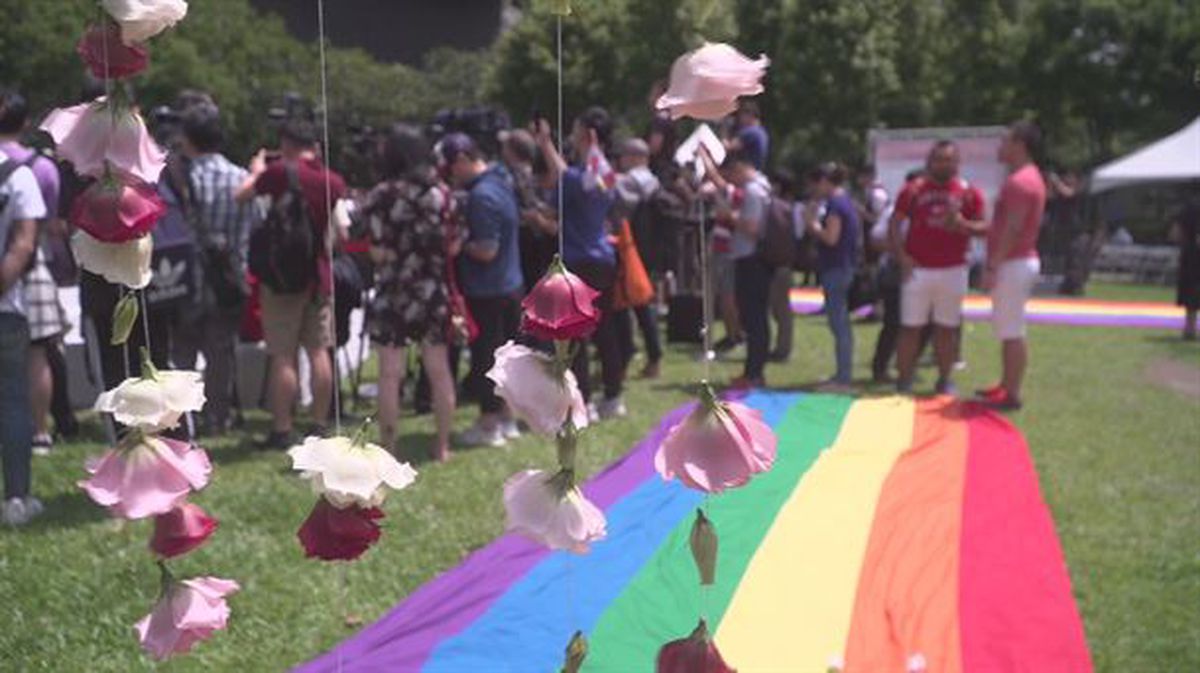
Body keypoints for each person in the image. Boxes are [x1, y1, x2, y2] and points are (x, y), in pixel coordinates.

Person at [237, 119, 345, 448]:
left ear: (285, 144)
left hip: (282, 278)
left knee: (283, 354)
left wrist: (257, 171)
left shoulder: (280, 173)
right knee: (318, 350)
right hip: (318, 274)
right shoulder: (333, 181)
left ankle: (282, 428)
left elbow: (241, 196)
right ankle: (320, 424)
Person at [365, 124, 457, 461]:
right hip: (433, 290)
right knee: (439, 369)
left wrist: (394, 256)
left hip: (394, 289)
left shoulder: (381, 195)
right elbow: (454, 244)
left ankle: (389, 448)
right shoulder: (443, 194)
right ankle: (442, 445)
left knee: (390, 374)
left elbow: (375, 249)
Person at [170, 104, 255, 436]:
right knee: (220, 351)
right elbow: (254, 223)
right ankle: (217, 417)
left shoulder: (180, 178)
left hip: (186, 278)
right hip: (228, 278)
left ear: (188, 138)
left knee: (182, 351)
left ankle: (180, 417)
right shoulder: (241, 178)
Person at [538, 107, 627, 418]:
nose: (571, 138)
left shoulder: (576, 179)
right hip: (604, 259)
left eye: (575, 131)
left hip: (578, 261)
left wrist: (546, 143)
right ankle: (614, 396)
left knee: (575, 335)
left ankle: (584, 400)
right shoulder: (606, 175)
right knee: (606, 331)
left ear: (588, 136)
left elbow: (562, 182)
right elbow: (571, 178)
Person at [440, 133, 523, 446]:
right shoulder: (502, 183)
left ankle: (489, 426)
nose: (451, 175)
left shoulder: (481, 196)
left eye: (452, 167)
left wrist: (459, 247)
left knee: (487, 359)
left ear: (463, 159)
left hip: (488, 290)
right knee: (505, 358)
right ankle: (507, 418)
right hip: (510, 283)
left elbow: (487, 249)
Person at [0, 90, 70, 456]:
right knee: (37, 352)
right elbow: (52, 222)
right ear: (26, 124)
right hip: (33, 264)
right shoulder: (41, 167)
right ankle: (40, 430)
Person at [889, 140, 987, 396]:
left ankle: (945, 379)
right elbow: (894, 224)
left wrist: (962, 224)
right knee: (911, 327)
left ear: (957, 162)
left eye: (949, 159)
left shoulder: (968, 192)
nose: (944, 164)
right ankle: (904, 378)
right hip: (917, 270)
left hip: (953, 269)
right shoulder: (913, 190)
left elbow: (985, 228)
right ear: (929, 161)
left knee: (947, 328)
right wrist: (901, 257)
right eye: (939, 159)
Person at [977, 122, 1048, 410]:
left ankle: (1012, 393)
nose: (1000, 147)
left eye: (1005, 141)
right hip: (1017, 260)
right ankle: (1006, 385)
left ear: (1020, 144)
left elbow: (1013, 228)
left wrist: (993, 266)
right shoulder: (1028, 178)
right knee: (1008, 328)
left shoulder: (1020, 182)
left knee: (1012, 329)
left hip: (1013, 261)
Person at [0, 108, 45, 525]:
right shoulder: (18, 174)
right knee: (12, 402)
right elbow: (23, 244)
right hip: (5, 308)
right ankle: (15, 498)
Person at [702, 147, 772, 388]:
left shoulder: (753, 191)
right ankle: (754, 370)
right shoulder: (764, 185)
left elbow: (752, 228)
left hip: (750, 258)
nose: (732, 181)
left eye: (732, 175)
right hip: (758, 259)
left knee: (753, 318)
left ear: (740, 168)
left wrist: (729, 216)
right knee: (757, 318)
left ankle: (753, 373)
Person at [804, 163, 861, 390]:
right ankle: (842, 374)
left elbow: (831, 238)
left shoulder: (835, 205)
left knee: (839, 324)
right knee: (840, 324)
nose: (815, 189)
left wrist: (812, 224)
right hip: (842, 266)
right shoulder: (845, 201)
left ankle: (843, 378)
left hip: (836, 268)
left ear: (826, 181)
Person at [613, 137, 664, 378]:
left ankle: (627, 356)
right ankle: (652, 356)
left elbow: (618, 204)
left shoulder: (633, 180)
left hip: (633, 250)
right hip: (650, 249)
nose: (620, 161)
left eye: (624, 156)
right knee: (644, 304)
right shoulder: (654, 180)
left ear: (636, 157)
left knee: (628, 304)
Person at [870, 168, 923, 382]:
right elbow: (875, 240)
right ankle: (881, 368)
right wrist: (901, 251)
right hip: (895, 271)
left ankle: (907, 364)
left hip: (921, 273)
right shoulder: (892, 211)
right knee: (894, 323)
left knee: (919, 324)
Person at [1169, 192, 1199, 340]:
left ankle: (1190, 328)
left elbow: (1176, 233)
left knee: (1190, 291)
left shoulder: (1188, 208)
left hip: (1191, 255)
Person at [725, 99, 770, 172]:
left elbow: (729, 147)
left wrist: (724, 132)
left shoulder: (751, 132)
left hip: (744, 172)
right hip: (753, 171)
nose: (739, 118)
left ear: (749, 115)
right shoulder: (761, 132)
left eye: (742, 115)